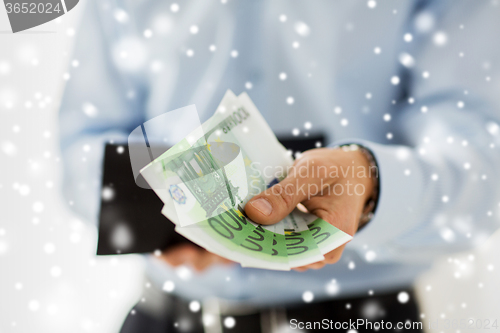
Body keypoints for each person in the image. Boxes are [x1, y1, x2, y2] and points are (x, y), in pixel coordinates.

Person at [59, 0, 500, 332]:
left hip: (357, 318)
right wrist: (145, 213)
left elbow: (478, 164)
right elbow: (83, 141)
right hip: (167, 316)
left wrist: (373, 183)